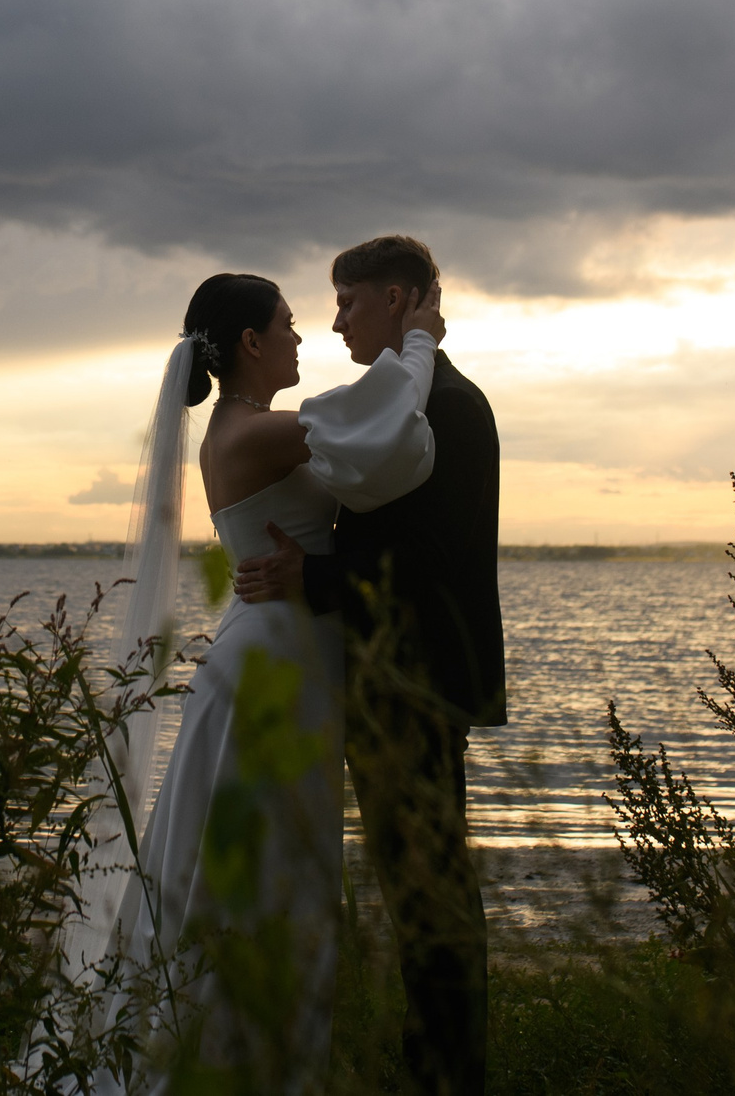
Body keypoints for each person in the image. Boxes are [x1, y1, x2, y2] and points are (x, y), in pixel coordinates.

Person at [83, 268, 444, 1093]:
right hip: (272, 663)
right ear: (250, 342)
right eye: (286, 322)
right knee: (257, 866)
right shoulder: (248, 433)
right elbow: (376, 412)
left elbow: (374, 451)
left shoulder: (254, 426)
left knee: (266, 859)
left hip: (289, 650)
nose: (300, 334)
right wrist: (419, 337)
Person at [235, 235, 506, 1096]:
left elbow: (425, 561)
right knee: (412, 884)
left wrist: (306, 574)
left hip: (418, 682)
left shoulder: (453, 410)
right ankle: (434, 1063)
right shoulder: (394, 404)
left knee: (431, 891)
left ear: (398, 300)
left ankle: (447, 1074)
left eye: (348, 301)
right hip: (387, 678)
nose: (335, 318)